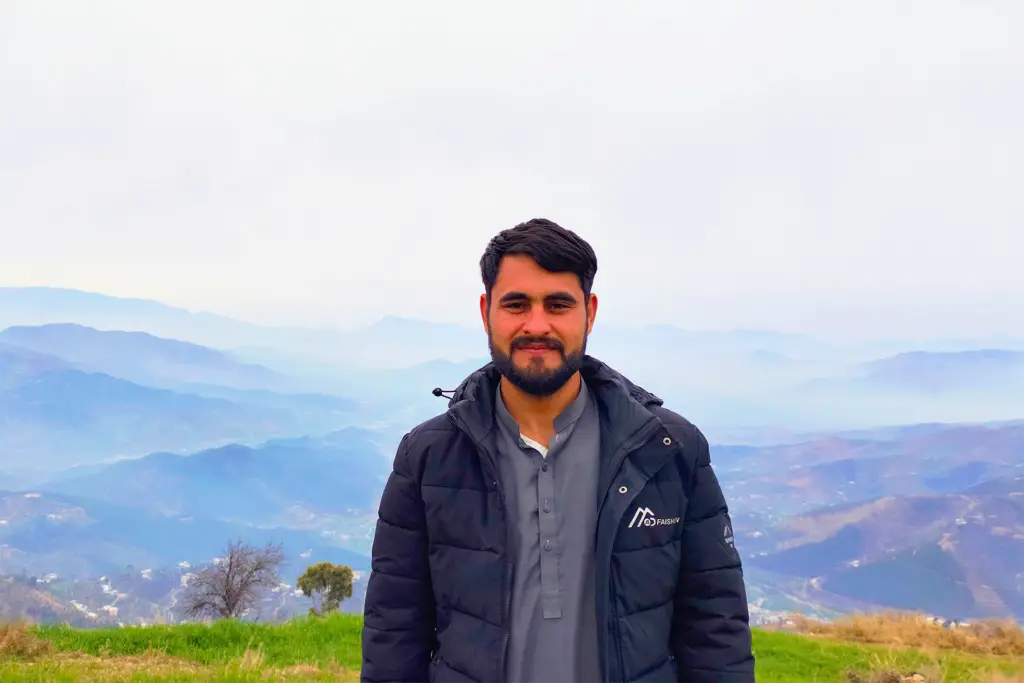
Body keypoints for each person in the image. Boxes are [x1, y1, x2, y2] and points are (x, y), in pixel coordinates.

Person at [361, 218, 755, 683]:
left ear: (589, 311)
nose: (537, 324)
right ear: (487, 310)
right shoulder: (427, 458)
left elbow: (715, 627)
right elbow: (394, 632)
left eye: (558, 304)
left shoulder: (668, 449)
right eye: (516, 304)